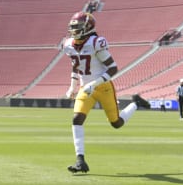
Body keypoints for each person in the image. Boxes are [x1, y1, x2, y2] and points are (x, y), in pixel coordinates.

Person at [63, 11, 149, 173]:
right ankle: (80, 160)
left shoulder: (96, 42)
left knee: (116, 123)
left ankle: (136, 103)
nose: (74, 31)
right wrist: (72, 87)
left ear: (88, 27)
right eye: (73, 27)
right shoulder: (69, 44)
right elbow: (76, 65)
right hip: (85, 88)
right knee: (77, 119)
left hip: (103, 87)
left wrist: (94, 84)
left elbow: (113, 68)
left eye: (78, 27)